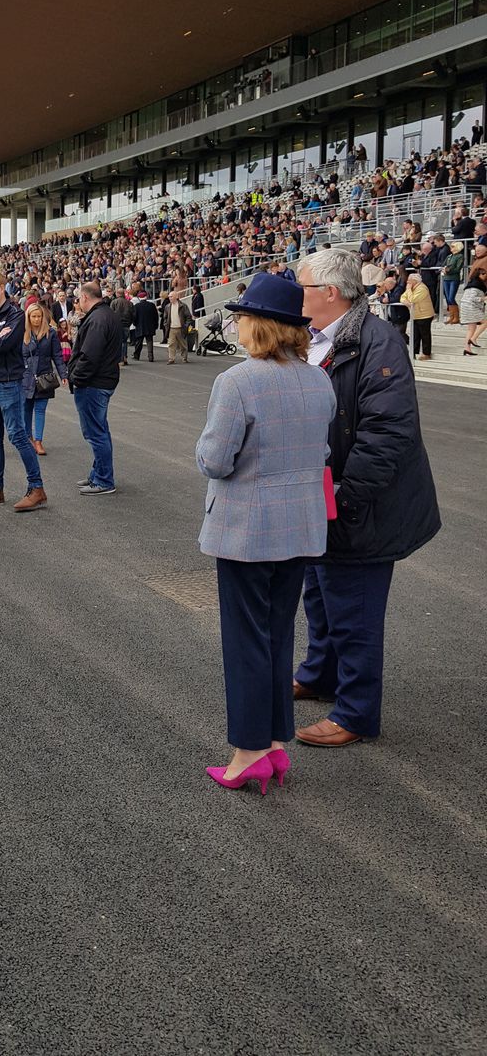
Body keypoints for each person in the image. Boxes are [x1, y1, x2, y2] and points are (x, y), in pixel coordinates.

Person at [293, 251, 440, 746]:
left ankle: (355, 713)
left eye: (303, 286)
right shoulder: (318, 340)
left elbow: (387, 435)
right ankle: (319, 673)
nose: (298, 295)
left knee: (353, 609)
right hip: (324, 499)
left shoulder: (377, 343)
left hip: (360, 504)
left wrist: (347, 500)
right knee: (319, 594)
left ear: (330, 293)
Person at [197, 273, 336, 793]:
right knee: (277, 636)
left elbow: (215, 459)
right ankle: (275, 743)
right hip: (300, 524)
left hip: (248, 528)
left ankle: (249, 750)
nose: (235, 324)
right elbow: (321, 451)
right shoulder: (317, 378)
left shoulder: (238, 381)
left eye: (241, 317)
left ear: (259, 326)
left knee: (246, 640)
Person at [0, 269, 46, 513]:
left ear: (1, 288)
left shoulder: (15, 315)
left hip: (8, 382)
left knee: (17, 435)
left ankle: (36, 488)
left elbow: (3, 346)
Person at [67, 281, 120, 496]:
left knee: (96, 433)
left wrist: (77, 378)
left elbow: (89, 355)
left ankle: (104, 480)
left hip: (93, 383)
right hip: (100, 381)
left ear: (86, 297)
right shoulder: (106, 314)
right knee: (100, 431)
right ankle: (98, 474)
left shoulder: (98, 318)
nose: (78, 302)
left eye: (79, 298)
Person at [21, 301, 66, 456]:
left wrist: (63, 374)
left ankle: (38, 441)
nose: (37, 319)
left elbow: (57, 355)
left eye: (39, 316)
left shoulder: (51, 333)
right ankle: (28, 439)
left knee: (40, 410)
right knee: (26, 409)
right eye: (33, 316)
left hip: (44, 377)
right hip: (26, 377)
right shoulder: (22, 333)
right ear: (28, 317)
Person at [401, 272, 434, 360]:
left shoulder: (422, 288)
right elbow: (403, 297)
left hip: (424, 315)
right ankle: (413, 352)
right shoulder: (412, 288)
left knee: (425, 335)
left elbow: (412, 299)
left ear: (415, 281)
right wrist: (405, 301)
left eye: (409, 281)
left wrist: (408, 290)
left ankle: (426, 353)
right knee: (415, 335)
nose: (407, 282)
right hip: (415, 315)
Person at [459, 270, 487, 354]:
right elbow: (472, 298)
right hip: (471, 307)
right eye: (484, 274)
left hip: (466, 307)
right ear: (479, 275)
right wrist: (483, 298)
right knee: (485, 322)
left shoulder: (473, 283)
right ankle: (473, 339)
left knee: (471, 328)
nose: (485, 276)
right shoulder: (476, 285)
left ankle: (467, 348)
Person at [166, 289, 194, 364]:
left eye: (171, 297)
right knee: (171, 344)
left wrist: (186, 325)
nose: (170, 298)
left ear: (176, 297)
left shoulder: (183, 306)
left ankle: (184, 358)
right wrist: (166, 324)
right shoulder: (168, 306)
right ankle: (171, 359)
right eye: (169, 297)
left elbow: (188, 317)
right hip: (171, 328)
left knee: (183, 345)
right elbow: (165, 318)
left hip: (181, 328)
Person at [130, 290, 159, 361]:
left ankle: (136, 355)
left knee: (139, 342)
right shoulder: (151, 305)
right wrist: (155, 325)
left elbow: (134, 317)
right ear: (146, 297)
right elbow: (156, 316)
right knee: (149, 341)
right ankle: (151, 356)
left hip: (140, 326)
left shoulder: (136, 306)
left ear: (139, 298)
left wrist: (135, 324)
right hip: (150, 326)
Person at [110, 288, 131, 367]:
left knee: (119, 342)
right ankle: (124, 357)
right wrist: (130, 322)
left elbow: (111, 313)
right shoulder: (129, 303)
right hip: (126, 324)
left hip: (117, 324)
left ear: (117, 294)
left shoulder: (114, 302)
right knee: (124, 341)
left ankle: (121, 359)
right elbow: (133, 314)